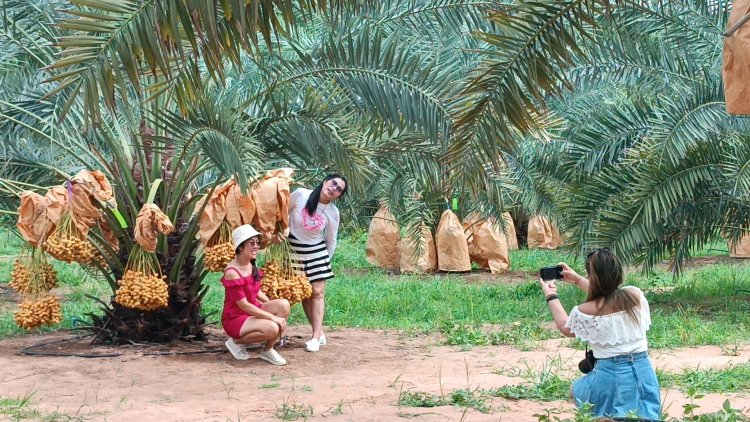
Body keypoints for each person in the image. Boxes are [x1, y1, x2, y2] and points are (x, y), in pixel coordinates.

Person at [539, 248, 661, 420]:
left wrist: (551, 295)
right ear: (618, 271)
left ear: (592, 277)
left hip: (610, 375)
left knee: (577, 391)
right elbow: (609, 295)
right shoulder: (635, 296)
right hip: (644, 373)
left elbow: (565, 326)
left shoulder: (586, 311)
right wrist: (578, 280)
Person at [286, 174, 348, 352]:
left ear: (339, 195)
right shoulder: (301, 195)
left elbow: (331, 239)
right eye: (333, 183)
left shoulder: (333, 213)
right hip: (293, 250)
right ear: (324, 182)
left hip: (317, 252)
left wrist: (325, 262)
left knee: (317, 293)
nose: (334, 188)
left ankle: (315, 337)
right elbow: (283, 213)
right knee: (304, 294)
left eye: (338, 189)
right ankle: (318, 332)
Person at [221, 224, 291, 365]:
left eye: (257, 243)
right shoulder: (232, 273)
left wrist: (271, 305)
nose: (256, 246)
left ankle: (268, 350)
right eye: (251, 243)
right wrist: (272, 317)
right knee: (272, 328)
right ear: (240, 246)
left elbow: (256, 291)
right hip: (236, 318)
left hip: (251, 311)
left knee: (283, 305)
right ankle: (235, 342)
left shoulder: (250, 265)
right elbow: (244, 305)